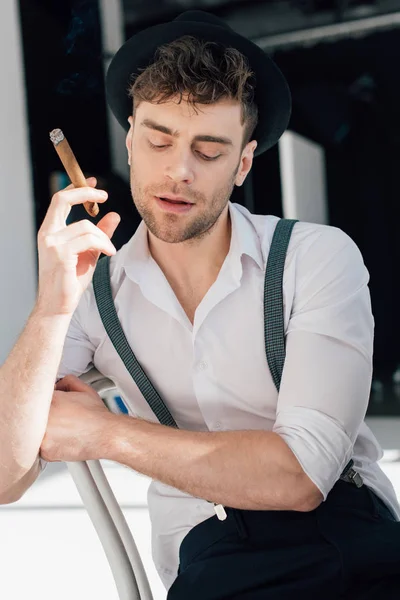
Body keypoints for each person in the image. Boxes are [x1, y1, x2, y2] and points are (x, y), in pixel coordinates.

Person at [1, 9, 399, 599]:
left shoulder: (314, 257)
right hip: (211, 559)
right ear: (131, 140)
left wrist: (106, 434)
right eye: (159, 141)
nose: (178, 171)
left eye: (209, 151)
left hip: (348, 540)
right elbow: (5, 479)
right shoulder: (92, 295)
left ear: (243, 163)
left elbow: (301, 477)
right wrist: (51, 309)